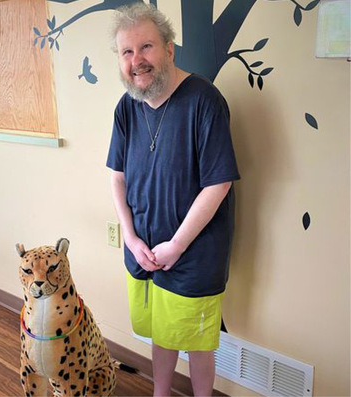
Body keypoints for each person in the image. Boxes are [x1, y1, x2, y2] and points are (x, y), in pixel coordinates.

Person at [106, 3, 240, 396]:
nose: (137, 61)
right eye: (127, 52)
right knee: (160, 335)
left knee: (198, 343)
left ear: (169, 49)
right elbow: (117, 176)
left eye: (145, 47)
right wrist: (131, 239)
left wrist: (177, 245)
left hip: (194, 254)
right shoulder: (126, 107)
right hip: (144, 248)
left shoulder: (205, 101)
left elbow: (219, 184)